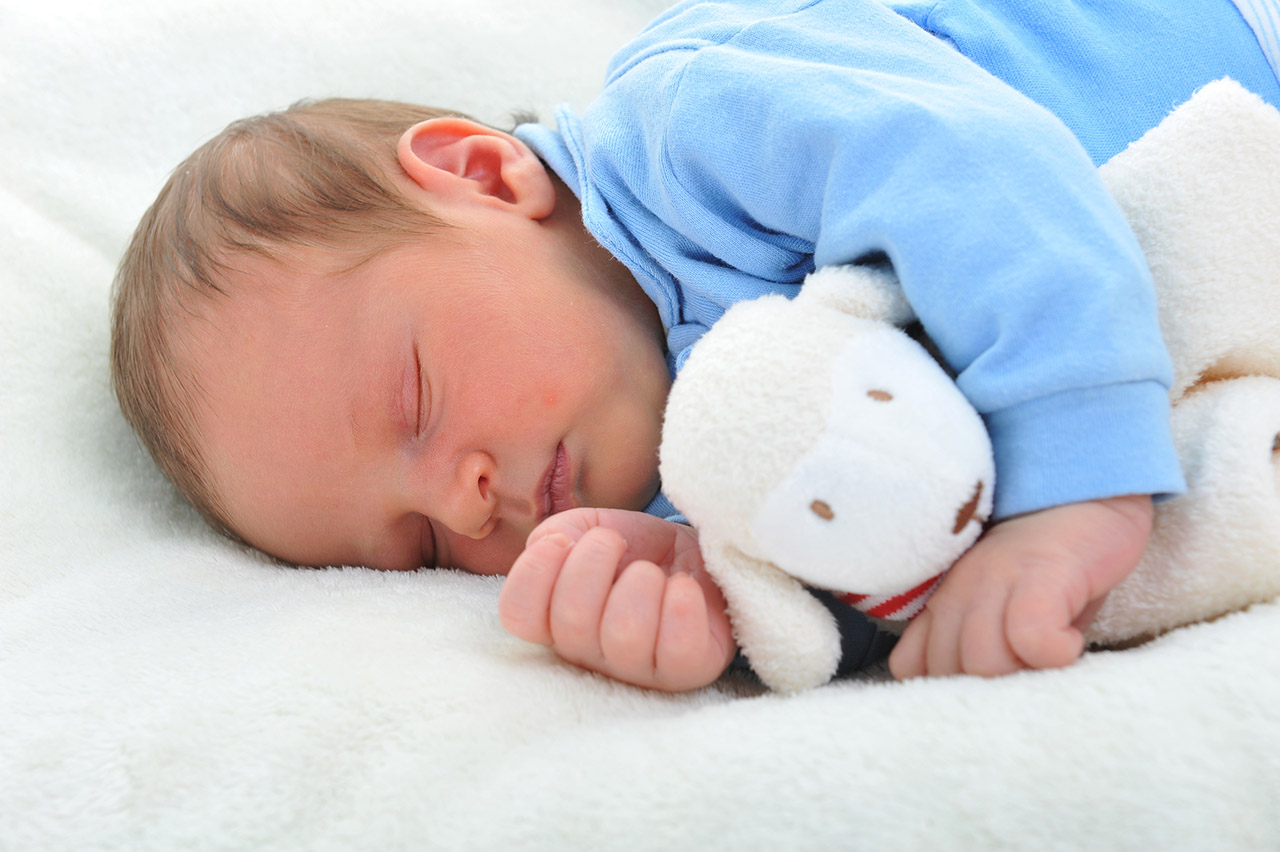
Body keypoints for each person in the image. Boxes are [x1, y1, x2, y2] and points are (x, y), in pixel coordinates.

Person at [110, 0, 1280, 692]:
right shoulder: (675, 472)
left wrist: (1072, 486)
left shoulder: (693, 123)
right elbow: (888, 506)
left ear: (479, 175)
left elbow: (975, 176)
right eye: (417, 545)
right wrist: (708, 589)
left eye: (414, 401)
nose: (467, 508)